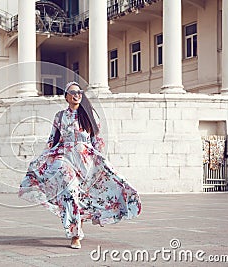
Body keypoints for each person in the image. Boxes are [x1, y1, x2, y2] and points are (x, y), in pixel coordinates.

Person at [18, 81, 141, 249]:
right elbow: (52, 140)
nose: (77, 95)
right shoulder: (60, 116)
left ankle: (80, 221)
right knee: (69, 190)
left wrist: (101, 165)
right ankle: (75, 234)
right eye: (73, 92)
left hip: (86, 160)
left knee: (82, 194)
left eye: (79, 92)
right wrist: (42, 159)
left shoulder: (90, 115)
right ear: (66, 96)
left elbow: (97, 142)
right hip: (64, 156)